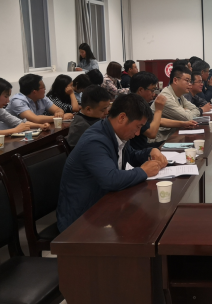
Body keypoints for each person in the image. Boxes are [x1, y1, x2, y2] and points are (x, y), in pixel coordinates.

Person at [57, 93, 168, 232]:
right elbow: (111, 179)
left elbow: (131, 155)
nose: (138, 133)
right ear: (122, 118)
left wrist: (150, 151)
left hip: (105, 206)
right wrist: (143, 171)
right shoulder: (95, 141)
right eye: (138, 126)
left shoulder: (115, 132)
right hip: (81, 221)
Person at [0, 78, 45, 143]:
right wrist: (14, 130)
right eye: (6, 96)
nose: (8, 101)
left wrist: (40, 126)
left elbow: (18, 122)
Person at [149, 65, 200, 143]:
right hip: (160, 140)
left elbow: (196, 110)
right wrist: (186, 111)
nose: (190, 84)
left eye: (190, 81)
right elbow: (188, 118)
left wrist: (185, 111)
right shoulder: (165, 97)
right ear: (175, 80)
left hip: (172, 136)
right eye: (187, 81)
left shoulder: (179, 95)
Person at [129, 71, 174, 150]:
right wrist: (158, 110)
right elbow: (151, 133)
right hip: (136, 151)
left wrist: (184, 123)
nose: (154, 94)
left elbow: (157, 121)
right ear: (141, 90)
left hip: (143, 146)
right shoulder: (133, 106)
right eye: (152, 90)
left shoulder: (141, 103)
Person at [6, 74, 72, 124]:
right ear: (34, 92)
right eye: (43, 87)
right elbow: (35, 119)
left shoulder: (42, 98)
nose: (45, 89)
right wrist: (60, 118)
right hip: (9, 134)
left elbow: (57, 109)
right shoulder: (17, 101)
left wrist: (59, 113)